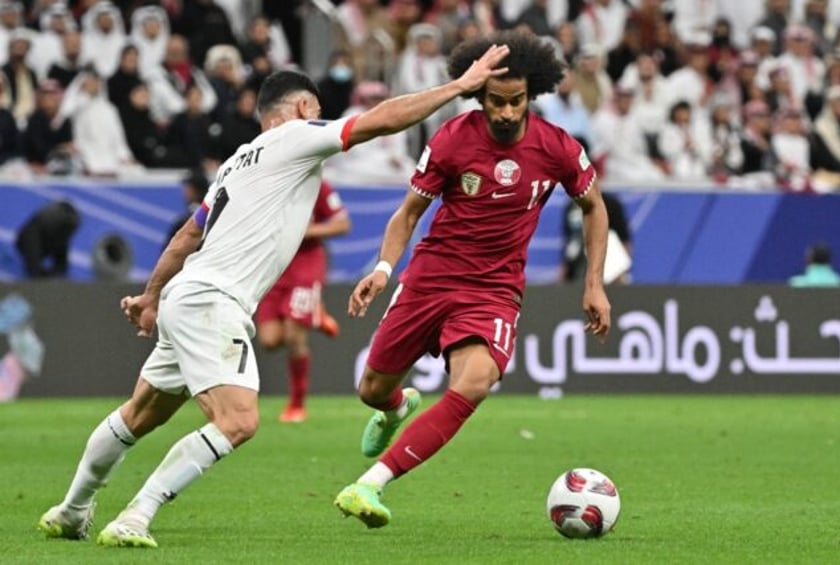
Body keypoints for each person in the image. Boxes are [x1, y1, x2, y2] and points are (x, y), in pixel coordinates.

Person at [36, 45, 511, 548]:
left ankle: (72, 509)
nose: (322, 118)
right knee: (238, 421)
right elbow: (380, 120)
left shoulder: (234, 164)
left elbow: (185, 237)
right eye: (317, 110)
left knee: (138, 414)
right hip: (215, 300)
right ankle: (136, 515)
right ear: (303, 109)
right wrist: (460, 88)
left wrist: (152, 296)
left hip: (186, 295)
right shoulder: (296, 136)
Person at [333, 30, 611, 529]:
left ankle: (369, 484)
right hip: (430, 279)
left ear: (533, 96)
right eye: (496, 102)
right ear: (480, 96)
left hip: (493, 291)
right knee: (372, 390)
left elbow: (594, 207)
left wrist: (595, 282)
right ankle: (395, 408)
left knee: (476, 382)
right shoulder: (452, 139)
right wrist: (381, 268)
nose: (506, 113)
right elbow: (408, 213)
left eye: (516, 102)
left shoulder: (558, 147)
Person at [256, 180, 351, 423]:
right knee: (269, 341)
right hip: (275, 266)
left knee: (293, 334)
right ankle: (316, 314)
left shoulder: (317, 185)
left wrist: (304, 231)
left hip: (306, 265)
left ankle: (297, 404)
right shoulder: (268, 183)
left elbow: (343, 224)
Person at [15, 200, 80, 278]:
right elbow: (34, 268)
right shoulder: (34, 234)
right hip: (34, 238)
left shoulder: (61, 234)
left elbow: (62, 265)